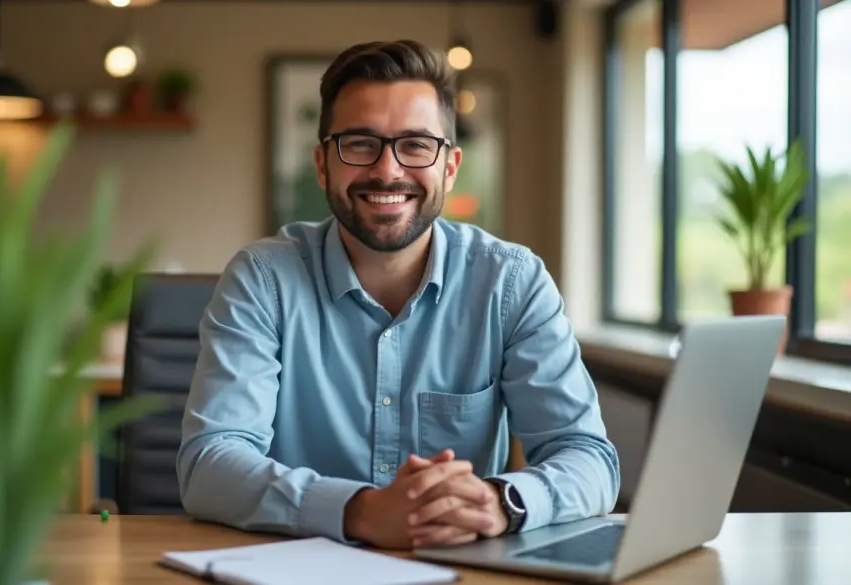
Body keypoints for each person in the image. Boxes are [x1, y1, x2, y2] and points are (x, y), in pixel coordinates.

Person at [176, 39, 620, 551]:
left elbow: (587, 455)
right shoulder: (262, 279)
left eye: (415, 145)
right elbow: (209, 463)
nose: (387, 171)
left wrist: (499, 503)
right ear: (323, 164)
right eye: (360, 143)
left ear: (449, 167)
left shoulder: (511, 283)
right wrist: (360, 512)